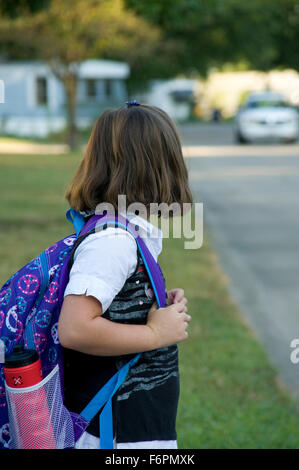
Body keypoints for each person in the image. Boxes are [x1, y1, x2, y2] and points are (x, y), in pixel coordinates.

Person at [57, 102, 193, 449]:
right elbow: (75, 329)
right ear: (159, 166)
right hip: (114, 434)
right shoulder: (113, 241)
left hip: (134, 425)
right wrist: (154, 332)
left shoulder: (124, 233)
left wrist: (153, 302)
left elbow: (113, 302)